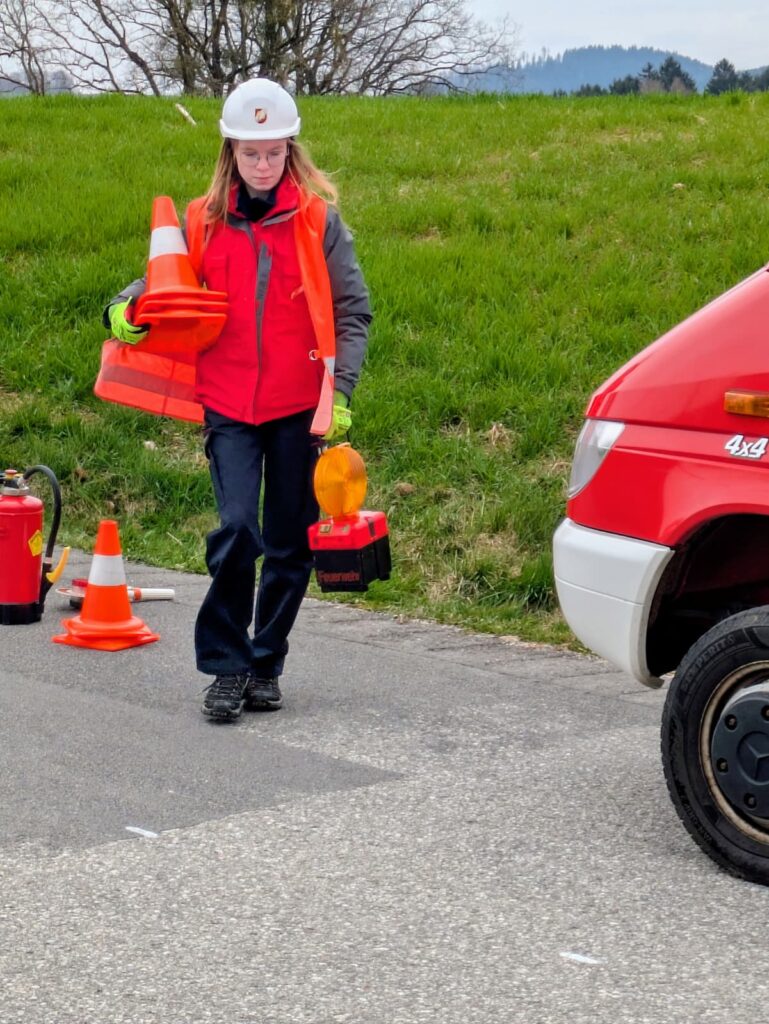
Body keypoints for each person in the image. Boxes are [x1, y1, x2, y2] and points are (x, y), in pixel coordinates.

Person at [104, 78, 372, 721]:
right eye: (251, 153)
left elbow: (353, 312)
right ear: (231, 152)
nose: (263, 164)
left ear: (290, 151)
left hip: (300, 407)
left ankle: (265, 663)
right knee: (236, 529)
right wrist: (123, 307)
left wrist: (339, 391)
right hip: (227, 405)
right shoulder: (201, 219)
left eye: (274, 152)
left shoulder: (318, 221)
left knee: (288, 544)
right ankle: (226, 668)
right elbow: (160, 281)